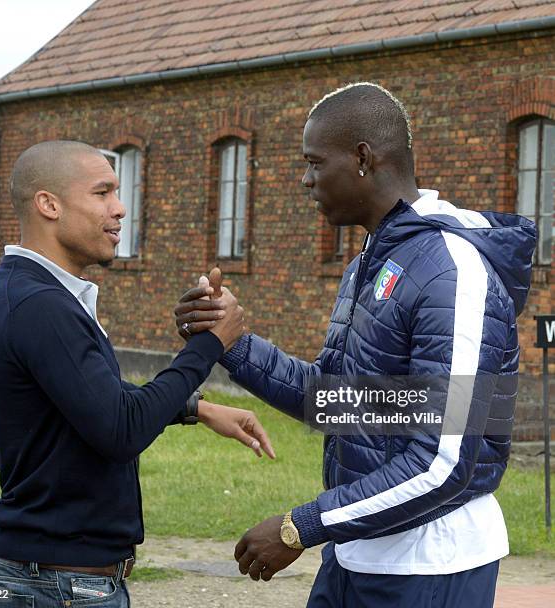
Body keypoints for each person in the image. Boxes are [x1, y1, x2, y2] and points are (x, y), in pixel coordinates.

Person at [175, 82, 536, 607]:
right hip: (354, 556)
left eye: (315, 163)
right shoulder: (369, 264)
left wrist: (299, 527)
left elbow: (445, 460)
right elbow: (340, 402)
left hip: (428, 570)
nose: (306, 179)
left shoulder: (453, 271)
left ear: (363, 158)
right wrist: (231, 341)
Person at [0, 140, 274, 607]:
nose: (120, 209)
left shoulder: (32, 292)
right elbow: (120, 428)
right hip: (59, 584)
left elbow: (97, 401)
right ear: (48, 204)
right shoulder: (40, 305)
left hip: (54, 577)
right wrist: (210, 344)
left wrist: (196, 407)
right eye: (102, 193)